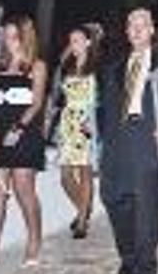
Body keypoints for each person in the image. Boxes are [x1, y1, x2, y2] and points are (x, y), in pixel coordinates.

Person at [97, 8, 158, 274]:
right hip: (116, 146)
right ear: (126, 31)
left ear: (152, 30)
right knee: (114, 200)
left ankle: (145, 265)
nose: (136, 30)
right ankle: (129, 257)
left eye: (142, 24)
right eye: (131, 25)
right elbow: (106, 110)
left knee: (147, 209)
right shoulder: (112, 68)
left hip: (149, 142)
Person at [0, 15, 47, 267]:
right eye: (5, 35)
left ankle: (34, 240)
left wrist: (19, 128)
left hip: (25, 135)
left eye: (13, 35)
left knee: (24, 190)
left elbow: (36, 103)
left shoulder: (36, 66)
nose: (7, 41)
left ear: (25, 37)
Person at [49, 25, 101, 239]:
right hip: (68, 121)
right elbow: (55, 94)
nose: (74, 44)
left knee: (85, 171)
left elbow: (102, 99)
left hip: (87, 121)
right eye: (71, 40)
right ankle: (84, 208)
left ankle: (81, 222)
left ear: (88, 42)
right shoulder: (67, 67)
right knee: (65, 176)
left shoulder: (97, 66)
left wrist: (94, 124)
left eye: (78, 39)